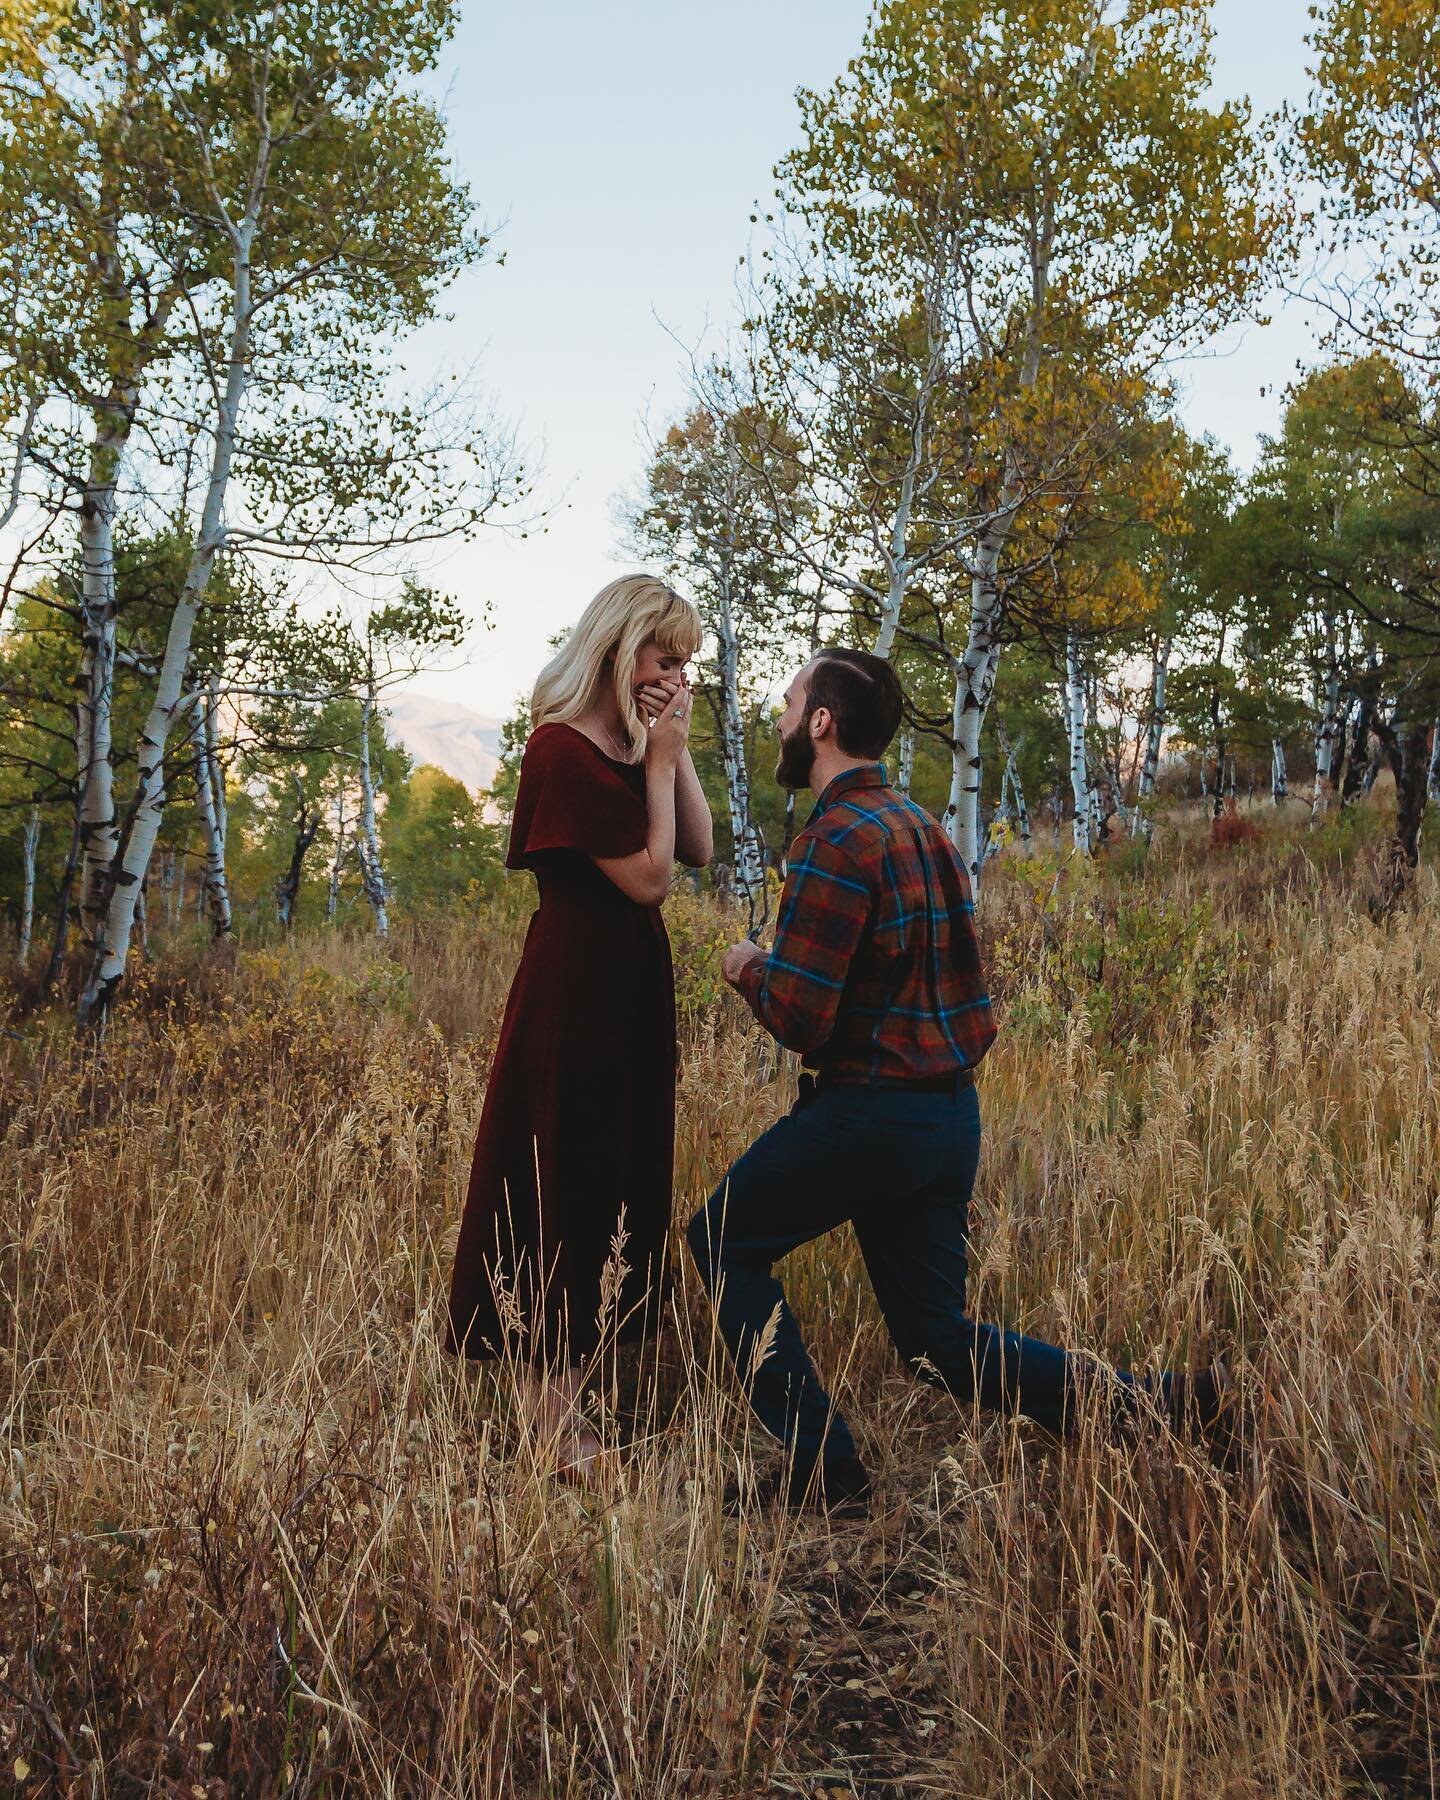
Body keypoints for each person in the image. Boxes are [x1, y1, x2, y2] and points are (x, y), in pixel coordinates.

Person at [687, 647, 1226, 1517]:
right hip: (948, 1117)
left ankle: (824, 1467)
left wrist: (749, 966)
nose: (780, 718)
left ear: (821, 722)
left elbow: (800, 1019)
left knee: (721, 1241)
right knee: (938, 1343)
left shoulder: (830, 840)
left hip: (869, 1118)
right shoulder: (921, 825)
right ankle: (1163, 1407)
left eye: (789, 703)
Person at [445, 574, 711, 1478]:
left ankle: (569, 1404)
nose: (674, 673)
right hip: (574, 987)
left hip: (631, 990)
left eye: (686, 663)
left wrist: (672, 746)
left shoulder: (635, 746)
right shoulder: (560, 750)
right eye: (663, 656)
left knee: (607, 1178)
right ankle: (552, 1431)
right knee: (553, 1176)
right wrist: (661, 764)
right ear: (615, 645)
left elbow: (701, 844)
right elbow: (650, 878)